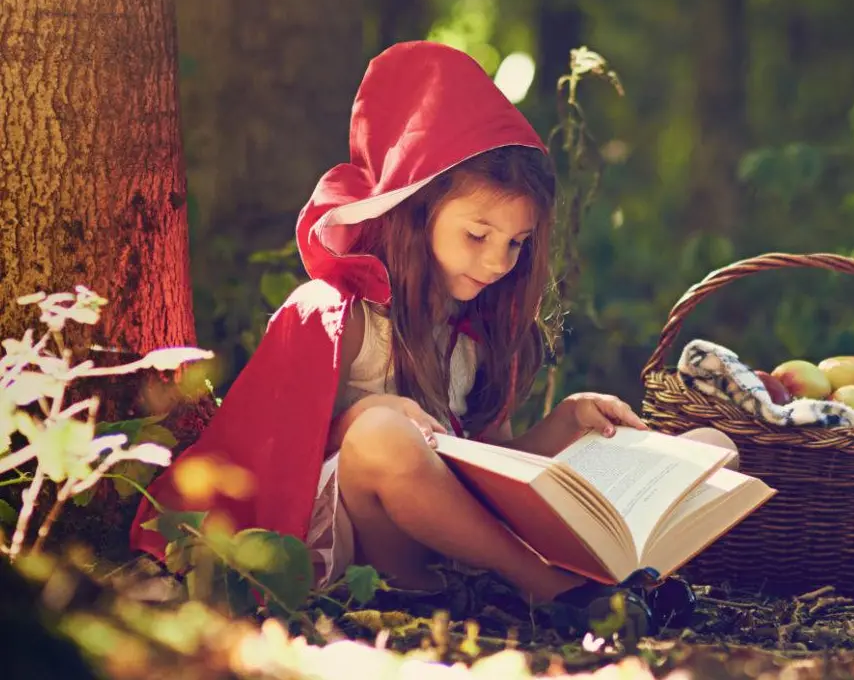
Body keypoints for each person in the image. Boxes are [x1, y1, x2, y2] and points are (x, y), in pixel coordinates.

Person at [129, 41, 736, 631]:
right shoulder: (336, 315)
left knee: (712, 448)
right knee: (381, 435)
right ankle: (557, 591)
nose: (498, 262)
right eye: (478, 235)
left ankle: (614, 580)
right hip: (372, 554)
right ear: (418, 212)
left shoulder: (472, 336)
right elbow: (273, 451)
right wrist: (357, 418)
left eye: (517, 243)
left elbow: (491, 470)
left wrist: (568, 421)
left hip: (458, 547)